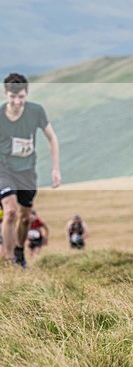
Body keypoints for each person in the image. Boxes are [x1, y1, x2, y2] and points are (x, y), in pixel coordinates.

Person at [1, 73, 61, 268]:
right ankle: (9, 260)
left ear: (26, 94)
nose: (17, 101)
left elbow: (52, 138)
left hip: (26, 171)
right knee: (10, 211)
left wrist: (55, 169)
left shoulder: (36, 112)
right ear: (5, 94)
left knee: (25, 217)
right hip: (4, 169)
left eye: (21, 97)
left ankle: (19, 251)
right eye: (12, 97)